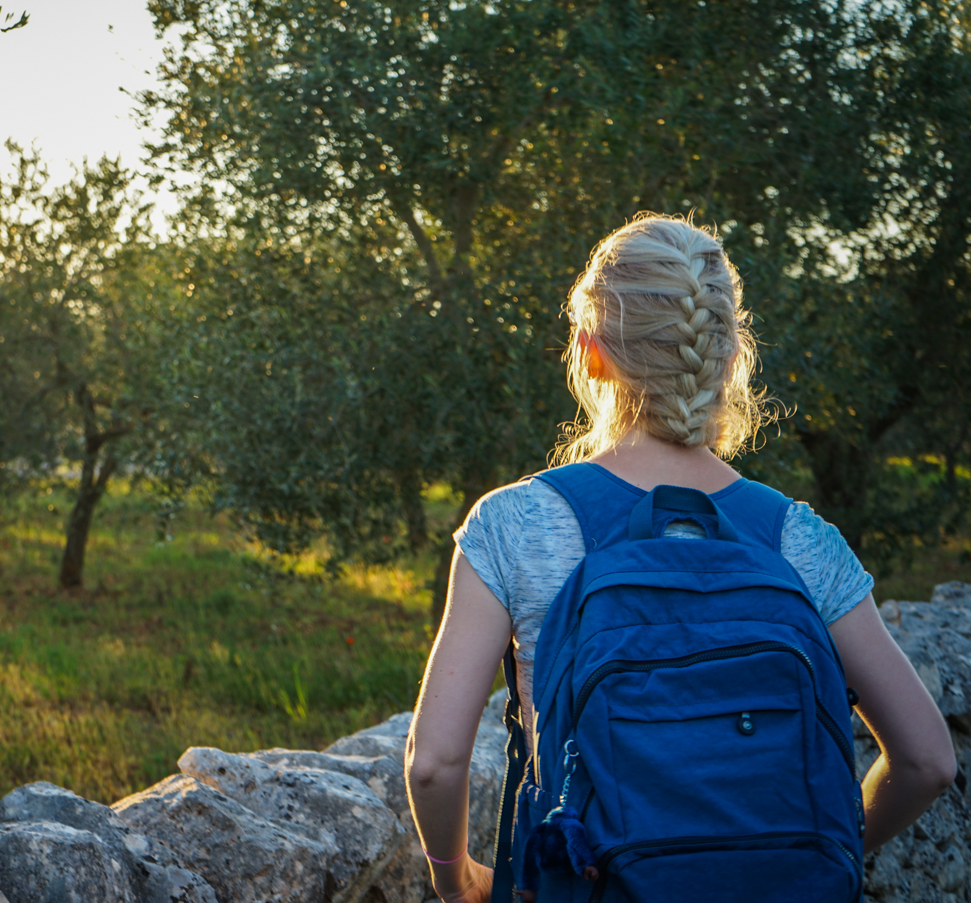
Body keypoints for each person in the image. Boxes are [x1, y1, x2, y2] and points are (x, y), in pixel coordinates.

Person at [404, 214, 958, 903]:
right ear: (728, 358)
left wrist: (455, 882)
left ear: (590, 352)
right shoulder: (798, 538)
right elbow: (929, 761)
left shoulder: (516, 522)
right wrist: (817, 853)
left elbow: (435, 762)